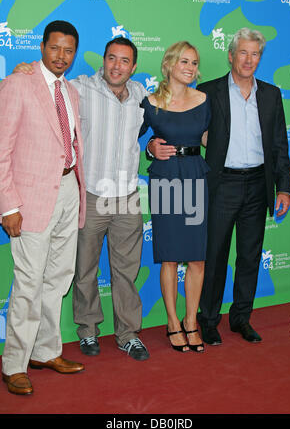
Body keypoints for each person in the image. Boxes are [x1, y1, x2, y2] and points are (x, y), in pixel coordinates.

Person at [12, 37, 149, 360]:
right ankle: (87, 331)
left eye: (125, 61)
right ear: (103, 60)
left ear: (134, 67)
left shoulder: (142, 96)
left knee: (127, 271)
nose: (117, 66)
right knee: (83, 268)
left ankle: (128, 333)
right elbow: (44, 86)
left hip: (128, 196)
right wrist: (26, 70)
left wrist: (156, 145)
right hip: (89, 194)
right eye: (112, 58)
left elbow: (169, 116)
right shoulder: (78, 89)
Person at [0, 20, 86, 395]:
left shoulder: (71, 90)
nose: (61, 57)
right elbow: (1, 149)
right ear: (42, 47)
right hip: (30, 200)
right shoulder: (18, 84)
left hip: (68, 189)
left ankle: (45, 351)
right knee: (30, 283)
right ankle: (14, 363)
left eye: (68, 50)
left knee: (58, 277)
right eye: (55, 48)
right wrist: (8, 206)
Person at [196, 28, 290, 344]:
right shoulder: (208, 92)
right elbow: (190, 132)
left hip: (257, 184)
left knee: (249, 256)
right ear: (231, 55)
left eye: (255, 54)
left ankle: (241, 319)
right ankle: (208, 320)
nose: (249, 59)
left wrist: (284, 188)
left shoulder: (271, 94)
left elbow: (279, 144)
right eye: (243, 53)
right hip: (221, 184)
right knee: (215, 255)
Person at [141, 41, 211, 352]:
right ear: (169, 64)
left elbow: (214, 139)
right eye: (184, 61)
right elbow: (130, 139)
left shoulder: (206, 100)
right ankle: (172, 322)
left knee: (197, 257)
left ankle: (191, 321)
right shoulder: (150, 102)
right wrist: (148, 147)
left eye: (194, 63)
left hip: (195, 177)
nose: (190, 68)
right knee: (169, 257)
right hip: (166, 180)